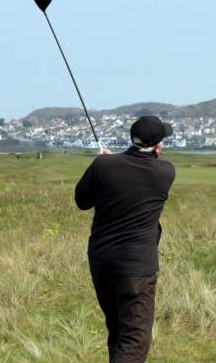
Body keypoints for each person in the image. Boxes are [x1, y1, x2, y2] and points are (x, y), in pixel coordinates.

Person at [75, 116, 176, 363]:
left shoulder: (103, 166)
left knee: (118, 330)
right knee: (135, 338)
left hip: (101, 261)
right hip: (137, 267)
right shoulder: (165, 172)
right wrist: (109, 162)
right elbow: (136, 170)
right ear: (158, 146)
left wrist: (104, 162)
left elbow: (82, 201)